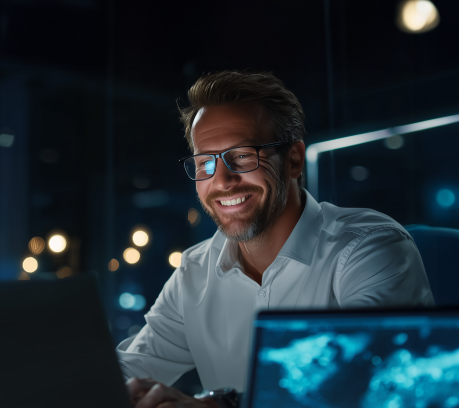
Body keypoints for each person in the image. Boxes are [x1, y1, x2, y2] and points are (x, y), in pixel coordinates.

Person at [120, 71, 434, 408]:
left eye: (241, 156)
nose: (222, 180)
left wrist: (218, 405)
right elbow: (128, 371)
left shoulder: (370, 247)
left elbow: (359, 385)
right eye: (205, 162)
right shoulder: (195, 271)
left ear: (294, 160)